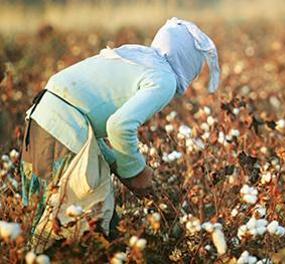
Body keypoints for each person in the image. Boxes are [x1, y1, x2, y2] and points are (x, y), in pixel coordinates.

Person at [20, 17, 219, 251]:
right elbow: (119, 127)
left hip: (42, 120)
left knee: (42, 225)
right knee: (84, 233)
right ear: (189, 61)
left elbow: (85, 118)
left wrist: (119, 165)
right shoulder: (164, 78)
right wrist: (137, 172)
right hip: (63, 129)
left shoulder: (138, 58)